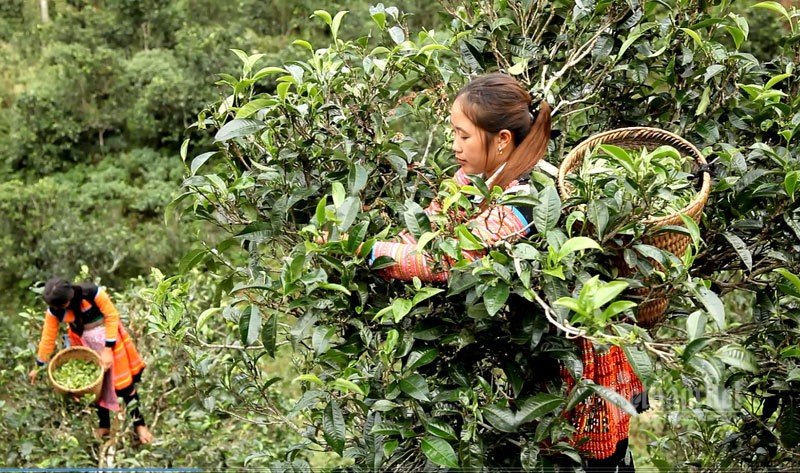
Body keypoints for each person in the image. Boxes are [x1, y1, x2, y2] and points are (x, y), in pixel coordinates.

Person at [366, 73, 642, 470]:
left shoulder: (529, 199)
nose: (455, 146)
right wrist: (370, 243)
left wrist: (367, 253)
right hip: (528, 359)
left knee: (582, 459)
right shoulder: (475, 179)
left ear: (501, 141)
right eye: (454, 134)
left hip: (574, 366)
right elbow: (428, 232)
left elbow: (446, 260)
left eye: (463, 136)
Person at [29, 277, 153, 445]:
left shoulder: (91, 293)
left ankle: (140, 425)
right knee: (95, 387)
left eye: (61, 305)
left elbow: (111, 315)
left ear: (69, 298)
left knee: (124, 386)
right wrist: (39, 366)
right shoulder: (55, 311)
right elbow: (48, 338)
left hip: (110, 339)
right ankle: (104, 425)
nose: (57, 309)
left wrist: (108, 348)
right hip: (85, 345)